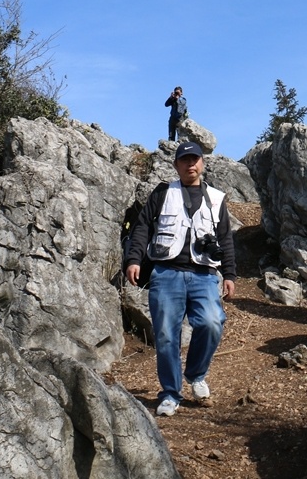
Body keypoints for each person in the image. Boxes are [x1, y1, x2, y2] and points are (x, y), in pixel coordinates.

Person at [123, 141, 236, 417]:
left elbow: (226, 240)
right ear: (176, 165)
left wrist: (230, 274)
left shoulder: (217, 199)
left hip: (205, 275)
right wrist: (133, 259)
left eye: (195, 159)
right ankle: (170, 393)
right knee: (165, 336)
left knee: (211, 323)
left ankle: (196, 375)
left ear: (202, 163)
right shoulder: (162, 193)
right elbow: (141, 228)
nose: (191, 165)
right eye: (184, 160)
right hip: (166, 273)